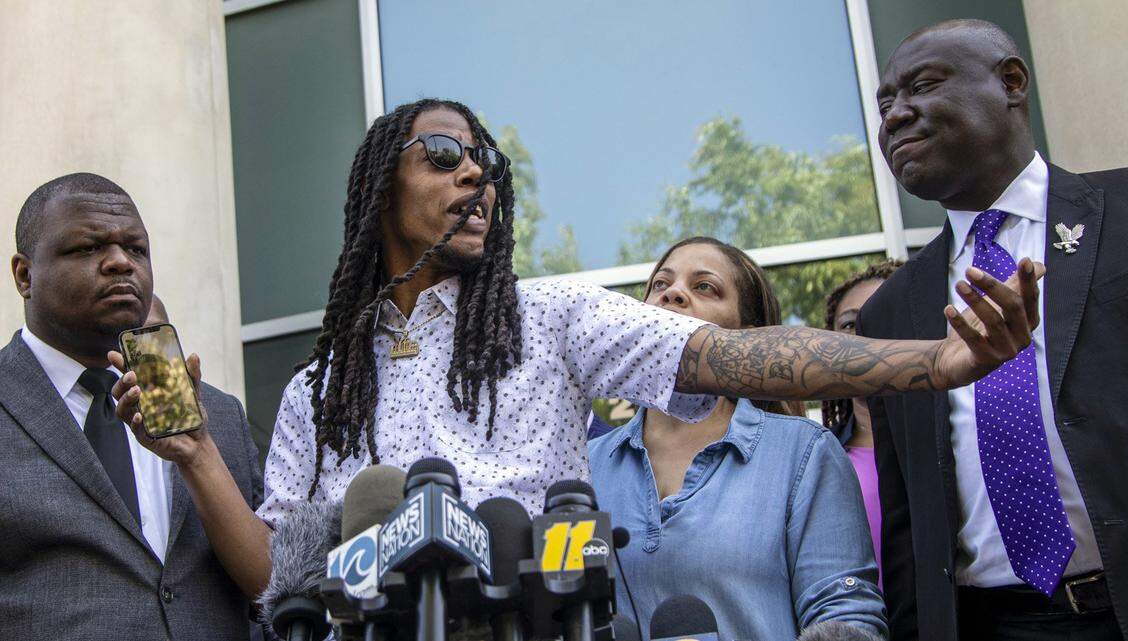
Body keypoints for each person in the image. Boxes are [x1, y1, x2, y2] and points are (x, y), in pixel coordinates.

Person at [114, 98, 1039, 596]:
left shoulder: (550, 316)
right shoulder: (321, 387)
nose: (474, 170)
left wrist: (940, 361)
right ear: (375, 189)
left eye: (485, 161)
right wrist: (193, 452)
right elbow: (281, 575)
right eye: (442, 153)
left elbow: (743, 356)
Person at [863, 19, 1128, 641]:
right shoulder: (889, 313)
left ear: (1011, 83)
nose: (896, 116)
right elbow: (909, 528)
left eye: (922, 87)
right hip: (993, 621)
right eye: (884, 104)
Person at [0, 173, 265, 641]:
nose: (120, 262)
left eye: (137, 249)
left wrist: (198, 455)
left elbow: (275, 595)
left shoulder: (218, 417)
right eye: (87, 248)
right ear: (24, 275)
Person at [589, 237, 885, 641]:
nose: (673, 293)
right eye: (661, 284)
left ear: (748, 337)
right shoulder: (583, 465)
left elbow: (844, 614)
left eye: (704, 286)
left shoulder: (804, 453)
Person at [821, 259, 902, 589]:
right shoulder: (819, 458)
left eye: (884, 317)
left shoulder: (954, 446)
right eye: (851, 324)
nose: (865, 334)